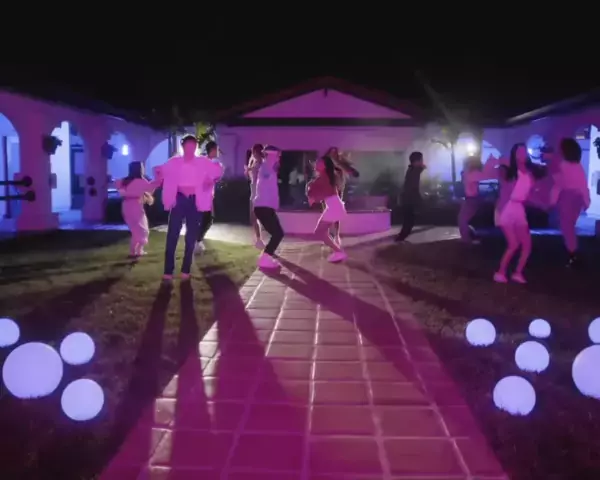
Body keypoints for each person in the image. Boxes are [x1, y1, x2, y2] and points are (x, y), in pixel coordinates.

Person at [159, 134, 216, 280]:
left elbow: (218, 171)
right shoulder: (174, 162)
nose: (191, 149)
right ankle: (168, 271)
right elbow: (160, 172)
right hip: (179, 199)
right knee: (173, 234)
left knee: (191, 236)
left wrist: (210, 181)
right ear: (183, 146)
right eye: (188, 146)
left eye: (193, 146)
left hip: (194, 201)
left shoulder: (202, 161)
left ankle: (186, 270)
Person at [494, 143, 544, 284]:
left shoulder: (530, 173)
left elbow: (529, 195)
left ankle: (517, 272)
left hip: (519, 208)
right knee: (513, 244)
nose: (522, 154)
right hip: (507, 208)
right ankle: (500, 272)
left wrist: (541, 204)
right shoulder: (510, 172)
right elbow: (503, 188)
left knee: (527, 244)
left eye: (524, 151)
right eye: (519, 151)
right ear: (514, 155)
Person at [550, 138, 591, 267]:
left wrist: (553, 200)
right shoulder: (578, 166)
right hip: (577, 198)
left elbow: (558, 185)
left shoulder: (563, 165)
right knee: (569, 227)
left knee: (567, 227)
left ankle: (573, 254)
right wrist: (586, 201)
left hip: (567, 198)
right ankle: (573, 254)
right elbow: (583, 185)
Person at [306, 155, 347, 263]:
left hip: (334, 208)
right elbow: (319, 196)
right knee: (321, 232)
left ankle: (338, 251)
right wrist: (312, 193)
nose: (316, 164)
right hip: (334, 207)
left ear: (324, 166)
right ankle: (338, 250)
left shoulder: (324, 178)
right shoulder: (327, 177)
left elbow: (317, 195)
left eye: (319, 162)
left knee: (319, 232)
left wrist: (311, 192)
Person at [116, 161, 161, 258]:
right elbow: (150, 188)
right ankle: (135, 251)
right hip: (135, 206)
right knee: (141, 229)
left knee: (137, 229)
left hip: (127, 205)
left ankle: (137, 250)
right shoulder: (140, 181)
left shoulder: (125, 181)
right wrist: (158, 177)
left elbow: (118, 186)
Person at [252, 145, 285, 269]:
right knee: (278, 234)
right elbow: (265, 176)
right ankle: (264, 259)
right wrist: (271, 168)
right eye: (278, 156)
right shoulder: (266, 168)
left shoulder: (269, 168)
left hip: (265, 208)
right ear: (272, 156)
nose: (279, 159)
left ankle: (265, 257)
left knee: (277, 234)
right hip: (263, 207)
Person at [459, 154, 500, 244]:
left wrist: (491, 163)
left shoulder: (471, 174)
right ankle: (468, 238)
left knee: (462, 220)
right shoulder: (469, 173)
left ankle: (467, 240)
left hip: (471, 200)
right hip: (471, 199)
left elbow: (486, 175)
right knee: (463, 220)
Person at [324, 147, 359, 245]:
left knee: (337, 212)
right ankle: (328, 233)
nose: (334, 154)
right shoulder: (326, 163)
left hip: (339, 189)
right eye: (332, 152)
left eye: (335, 152)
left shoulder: (341, 163)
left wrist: (351, 170)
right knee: (329, 211)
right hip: (329, 189)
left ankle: (336, 235)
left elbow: (352, 172)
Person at [195, 140, 225, 253]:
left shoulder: (210, 163)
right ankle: (197, 241)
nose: (218, 152)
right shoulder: (205, 162)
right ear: (212, 150)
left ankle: (198, 241)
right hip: (202, 196)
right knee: (207, 219)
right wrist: (215, 178)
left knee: (207, 219)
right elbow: (205, 179)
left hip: (207, 196)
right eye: (216, 149)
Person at [395, 151, 426, 242]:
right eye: (421, 160)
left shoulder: (412, 170)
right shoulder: (414, 171)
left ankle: (400, 238)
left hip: (407, 199)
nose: (422, 161)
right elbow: (412, 187)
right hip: (408, 200)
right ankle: (400, 239)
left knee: (408, 221)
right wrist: (419, 200)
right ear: (416, 161)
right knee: (409, 221)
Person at [245, 143, 266, 249]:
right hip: (254, 192)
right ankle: (259, 239)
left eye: (254, 151)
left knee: (254, 217)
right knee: (254, 218)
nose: (253, 154)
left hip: (258, 194)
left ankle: (259, 240)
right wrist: (249, 170)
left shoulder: (261, 164)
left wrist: (250, 170)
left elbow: (260, 178)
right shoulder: (256, 163)